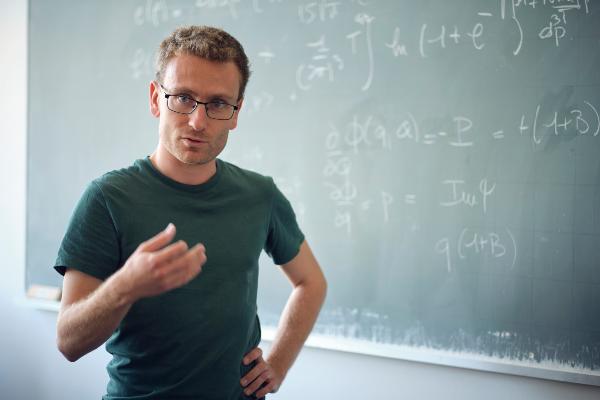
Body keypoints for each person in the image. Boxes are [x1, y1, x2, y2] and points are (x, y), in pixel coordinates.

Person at [54, 25, 327, 400]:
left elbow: (311, 283)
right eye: (182, 98)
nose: (198, 122)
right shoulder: (107, 198)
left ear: (235, 113)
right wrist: (125, 286)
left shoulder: (260, 195)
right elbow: (68, 342)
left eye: (217, 104)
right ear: (155, 99)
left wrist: (278, 362)